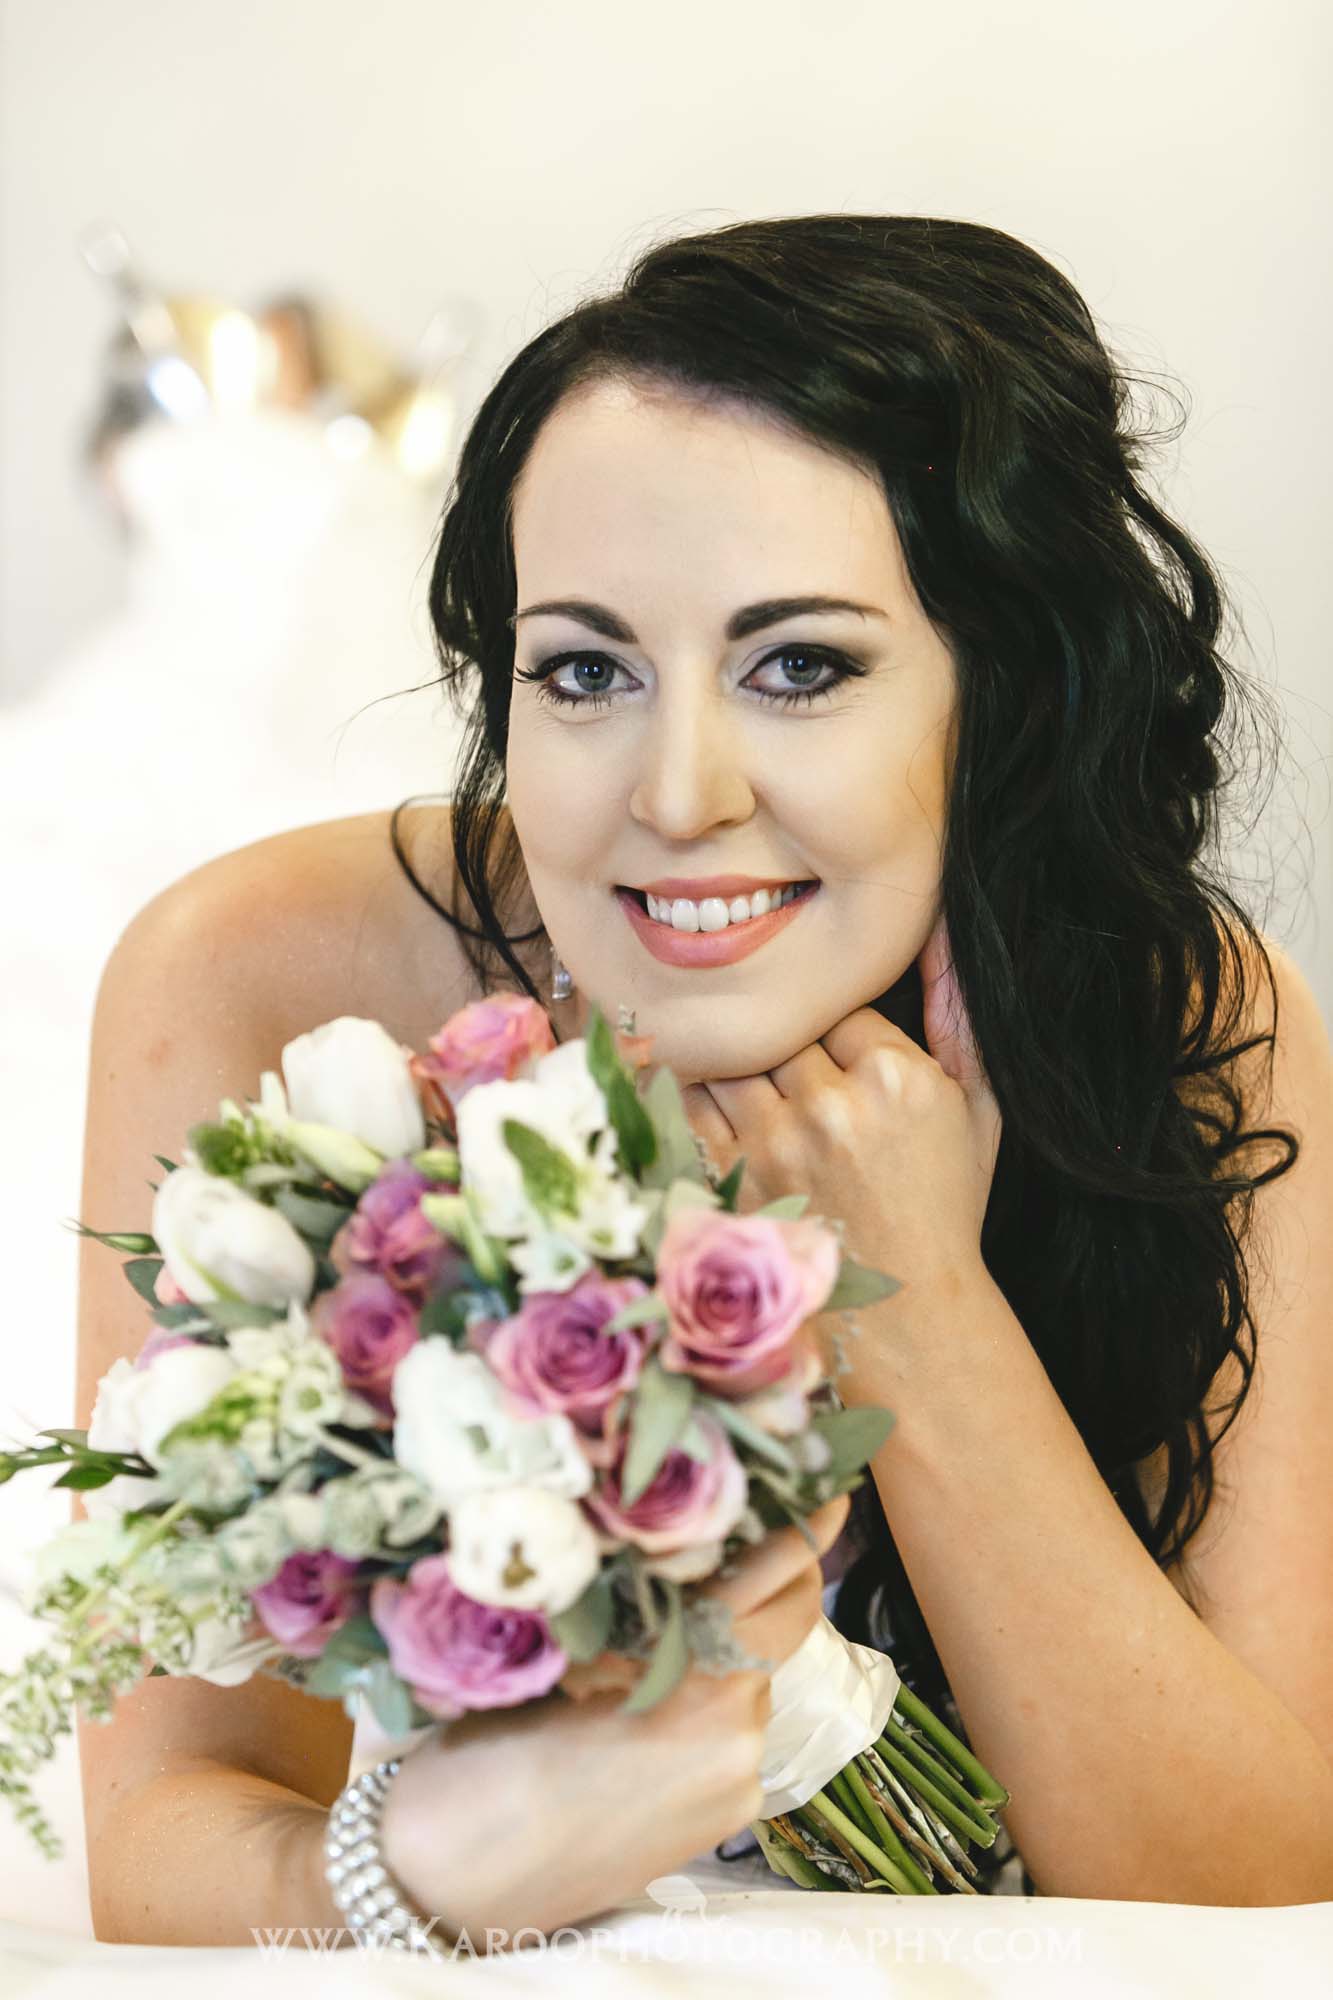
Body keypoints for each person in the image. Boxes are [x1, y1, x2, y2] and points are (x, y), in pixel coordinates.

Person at [75, 214, 1333, 1946]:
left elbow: (1261, 1895)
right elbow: (157, 1843)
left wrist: (922, 1304)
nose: (677, 795)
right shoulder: (267, 984)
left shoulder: (1179, 1023)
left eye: (799, 666)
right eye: (584, 671)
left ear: (1007, 693)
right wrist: (430, 1876)